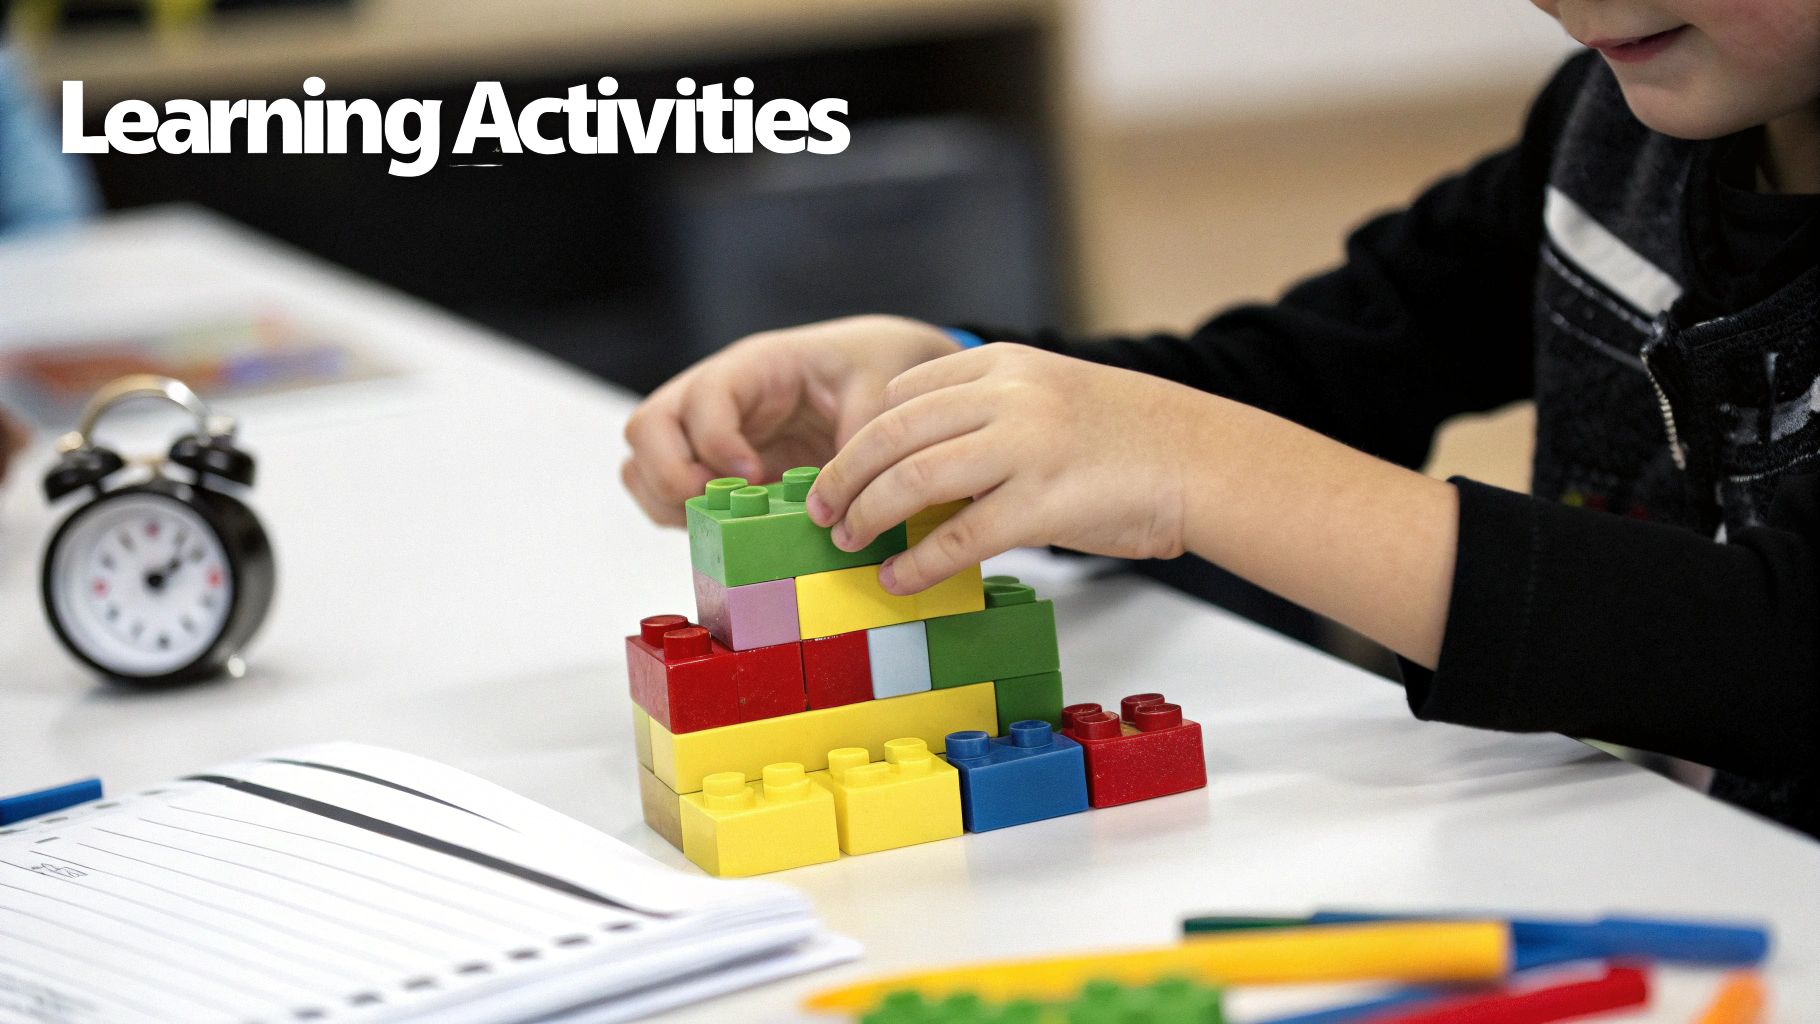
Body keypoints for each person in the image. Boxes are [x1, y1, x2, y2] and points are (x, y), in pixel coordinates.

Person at [622, 1, 1820, 838]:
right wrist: (955, 380)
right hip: (1623, 832)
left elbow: (1772, 651)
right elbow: (1326, 366)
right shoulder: (1604, 132)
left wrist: (1202, 468)